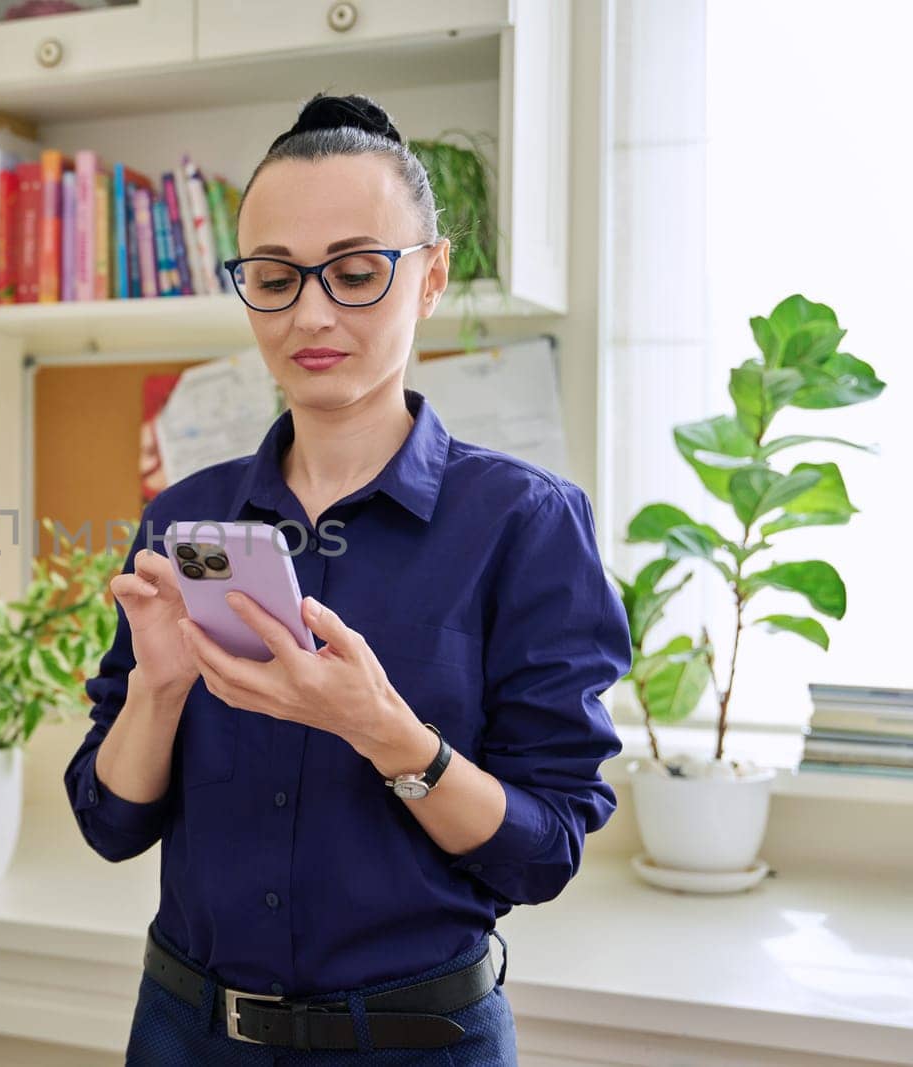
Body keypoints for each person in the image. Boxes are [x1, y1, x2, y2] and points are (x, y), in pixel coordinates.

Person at [64, 92, 632, 1065]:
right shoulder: (187, 519)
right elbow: (109, 821)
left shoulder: (525, 523)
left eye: (357, 272)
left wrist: (384, 730)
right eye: (275, 278)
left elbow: (543, 850)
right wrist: (156, 691)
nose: (312, 313)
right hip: (184, 1031)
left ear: (431, 277)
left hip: (419, 1039)